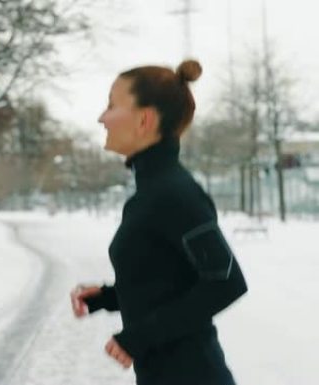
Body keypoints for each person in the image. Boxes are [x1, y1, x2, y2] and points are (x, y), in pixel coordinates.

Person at [70, 60, 247, 385]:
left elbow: (226, 282)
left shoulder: (174, 192)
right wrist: (109, 297)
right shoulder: (154, 191)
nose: (101, 117)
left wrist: (140, 337)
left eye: (111, 105)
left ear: (144, 120)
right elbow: (168, 280)